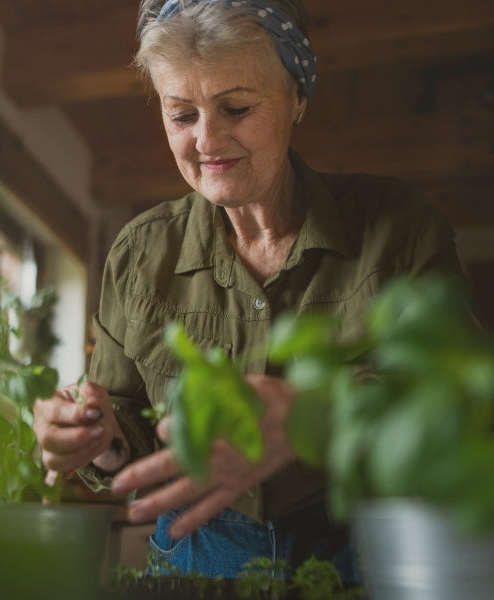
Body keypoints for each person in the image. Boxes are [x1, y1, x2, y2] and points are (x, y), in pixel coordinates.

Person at [32, 0, 464, 583]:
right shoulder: (138, 254)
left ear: (297, 99)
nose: (207, 140)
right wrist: (96, 440)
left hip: (359, 547)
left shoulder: (400, 229)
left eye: (235, 107)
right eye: (181, 115)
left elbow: (461, 406)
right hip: (195, 552)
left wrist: (321, 416)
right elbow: (125, 422)